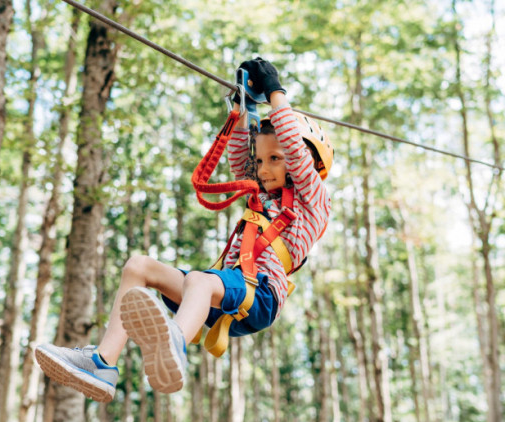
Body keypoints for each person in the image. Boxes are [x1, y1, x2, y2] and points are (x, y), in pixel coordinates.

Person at [35, 57, 333, 403]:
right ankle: (102, 363)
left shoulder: (313, 202)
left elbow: (294, 150)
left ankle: (173, 342)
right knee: (138, 266)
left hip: (261, 295)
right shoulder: (263, 192)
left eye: (275, 159)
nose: (263, 168)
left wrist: (275, 91)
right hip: (222, 292)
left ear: (306, 164)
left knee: (199, 279)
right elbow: (240, 158)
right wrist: (242, 105)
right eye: (262, 160)